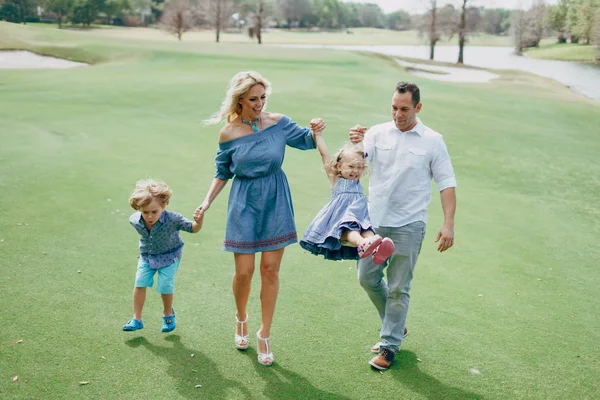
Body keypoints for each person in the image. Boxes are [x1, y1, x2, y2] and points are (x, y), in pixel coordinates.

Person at [194, 71, 326, 366]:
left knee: (269, 270)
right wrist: (206, 202)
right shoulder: (228, 133)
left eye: (263, 97)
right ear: (239, 100)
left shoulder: (278, 123)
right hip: (243, 202)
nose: (259, 104)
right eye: (253, 99)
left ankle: (264, 334)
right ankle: (241, 318)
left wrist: (316, 129)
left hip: (276, 198)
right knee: (244, 272)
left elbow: (307, 141)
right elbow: (223, 171)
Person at [349, 82, 457, 370]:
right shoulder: (377, 132)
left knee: (398, 287)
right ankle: (397, 326)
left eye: (404, 109)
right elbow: (358, 163)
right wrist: (356, 142)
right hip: (374, 224)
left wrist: (448, 224)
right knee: (367, 278)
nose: (398, 114)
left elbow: (446, 183)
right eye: (394, 107)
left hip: (409, 224)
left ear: (418, 108)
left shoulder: (433, 140)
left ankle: (389, 346)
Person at [299, 132, 395, 264]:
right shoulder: (335, 178)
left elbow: (361, 154)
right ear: (339, 166)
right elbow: (324, 155)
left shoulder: (356, 181)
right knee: (351, 229)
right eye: (351, 167)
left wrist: (360, 140)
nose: (356, 171)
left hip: (359, 213)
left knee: (366, 230)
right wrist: (318, 134)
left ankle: (377, 250)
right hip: (342, 214)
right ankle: (363, 244)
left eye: (359, 168)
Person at [122, 179, 202, 333]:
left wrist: (198, 222)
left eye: (154, 212)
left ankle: (168, 314)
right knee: (140, 283)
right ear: (139, 209)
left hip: (170, 257)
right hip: (147, 256)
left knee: (165, 285)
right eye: (145, 212)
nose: (150, 216)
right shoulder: (135, 220)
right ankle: (136, 319)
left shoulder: (173, 219)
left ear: (163, 206)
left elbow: (193, 228)